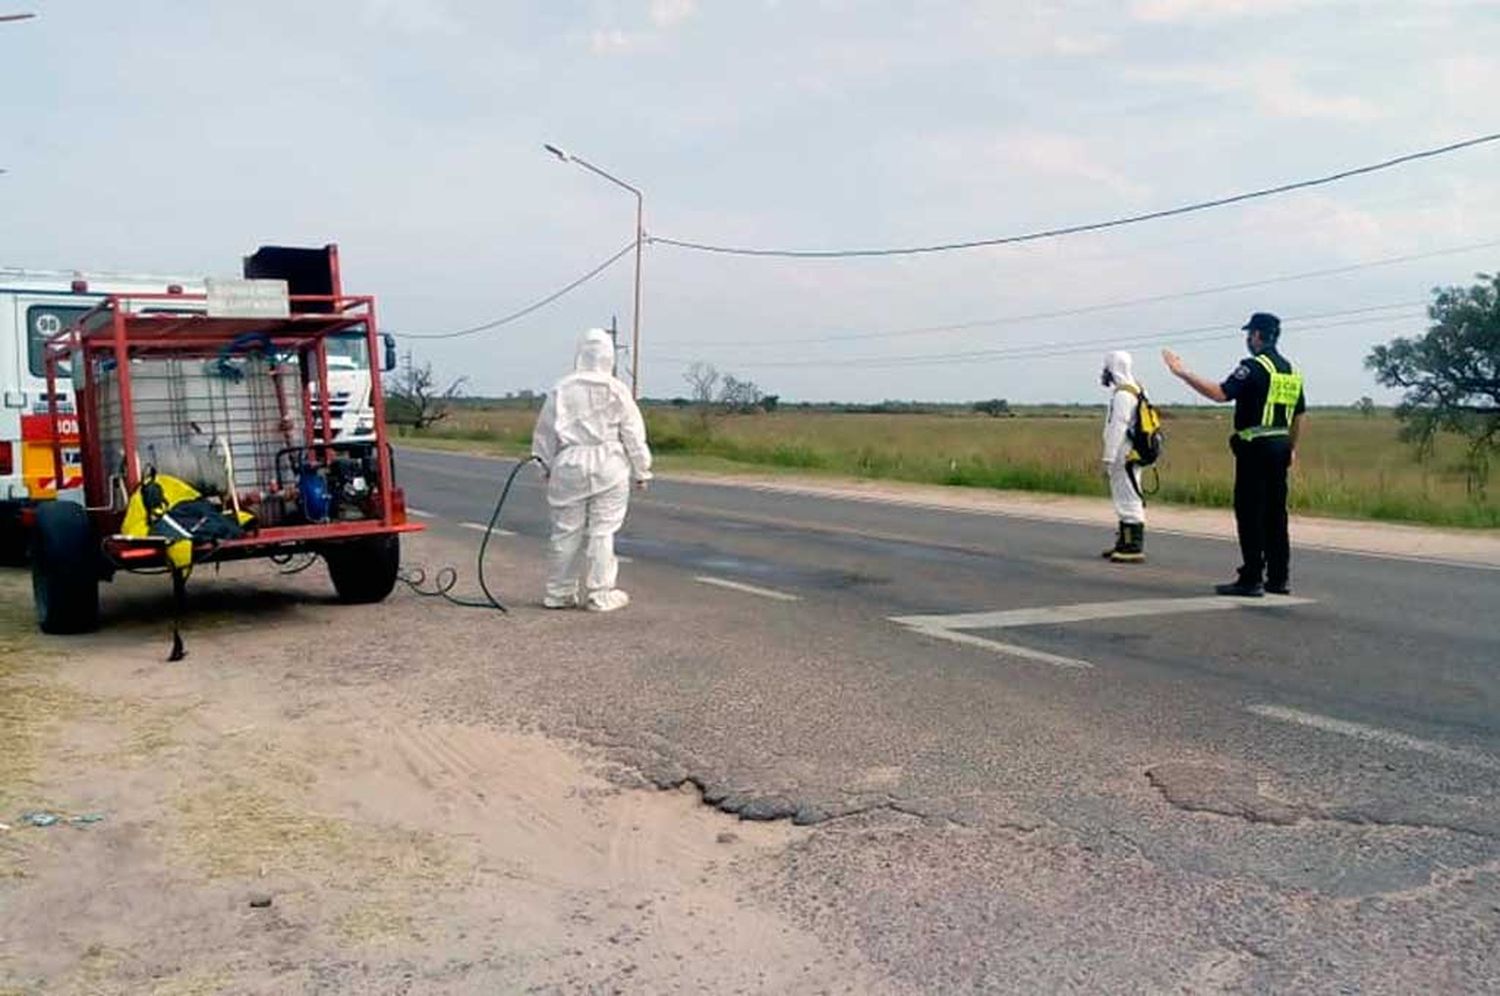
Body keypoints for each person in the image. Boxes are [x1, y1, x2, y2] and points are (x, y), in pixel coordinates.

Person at [1162, 311, 1306, 597]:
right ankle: (1279, 577)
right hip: (1279, 447)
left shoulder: (1251, 367)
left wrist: (1183, 373)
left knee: (1250, 511)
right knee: (1276, 514)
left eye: (1248, 334)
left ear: (1256, 336)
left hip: (1255, 448)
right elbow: (1299, 415)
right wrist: (1292, 447)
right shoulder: (1290, 370)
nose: (1247, 340)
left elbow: (1220, 393)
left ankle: (1251, 577)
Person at [531, 328, 653, 612]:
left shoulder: (562, 388)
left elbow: (545, 433)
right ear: (609, 356)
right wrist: (641, 470)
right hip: (609, 463)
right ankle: (600, 593)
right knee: (602, 530)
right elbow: (633, 434)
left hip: (570, 463)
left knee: (565, 531)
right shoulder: (617, 389)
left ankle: (558, 592)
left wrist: (543, 464)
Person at [1099, 350, 1146, 563]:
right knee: (1125, 497)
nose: (1104, 372)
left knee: (1128, 499)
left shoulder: (1123, 395)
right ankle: (1124, 542)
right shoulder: (1135, 389)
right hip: (1129, 454)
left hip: (1124, 455)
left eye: (1106, 367)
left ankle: (1132, 546)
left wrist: (1108, 458)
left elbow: (1118, 426)